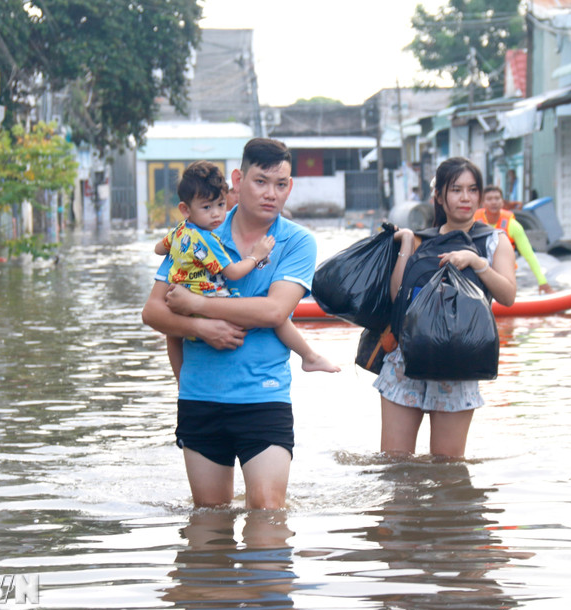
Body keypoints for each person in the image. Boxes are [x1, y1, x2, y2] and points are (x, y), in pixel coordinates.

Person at [142, 138, 327, 509]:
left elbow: (276, 312)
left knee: (267, 521)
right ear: (237, 181)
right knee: (208, 532)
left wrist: (196, 305)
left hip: (263, 397)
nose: (271, 194)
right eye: (260, 181)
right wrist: (198, 328)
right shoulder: (198, 228)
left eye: (281, 184)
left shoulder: (296, 242)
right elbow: (154, 312)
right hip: (199, 398)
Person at [376, 157, 517, 459]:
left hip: (459, 363)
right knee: (393, 466)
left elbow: (507, 296)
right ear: (439, 196)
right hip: (406, 360)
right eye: (456, 190)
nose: (465, 198)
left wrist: (478, 263)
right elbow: (396, 296)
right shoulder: (421, 240)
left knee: (447, 471)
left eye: (472, 189)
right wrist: (405, 246)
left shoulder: (494, 241)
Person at [152, 160, 337, 379]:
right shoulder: (209, 239)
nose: (216, 215)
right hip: (203, 291)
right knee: (259, 309)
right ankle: (308, 355)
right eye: (207, 208)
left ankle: (182, 383)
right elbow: (234, 273)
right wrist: (255, 256)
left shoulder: (179, 232)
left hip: (180, 292)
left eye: (220, 205)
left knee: (173, 335)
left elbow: (158, 248)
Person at [474, 185, 554, 295]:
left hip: (503, 274)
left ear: (502, 202)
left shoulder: (513, 226)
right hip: (479, 273)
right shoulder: (473, 222)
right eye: (489, 199)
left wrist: (542, 281)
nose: (494, 202)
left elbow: (529, 254)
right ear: (482, 203)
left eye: (497, 198)